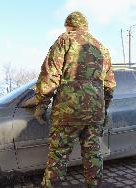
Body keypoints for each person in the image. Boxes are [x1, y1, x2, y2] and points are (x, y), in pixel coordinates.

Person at [34, 11, 116, 188]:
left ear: (70, 25)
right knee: (93, 153)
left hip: (67, 111)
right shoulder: (101, 47)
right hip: (95, 112)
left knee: (58, 155)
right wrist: (103, 107)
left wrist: (41, 104)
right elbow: (109, 85)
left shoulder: (65, 40)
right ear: (85, 26)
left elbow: (50, 75)